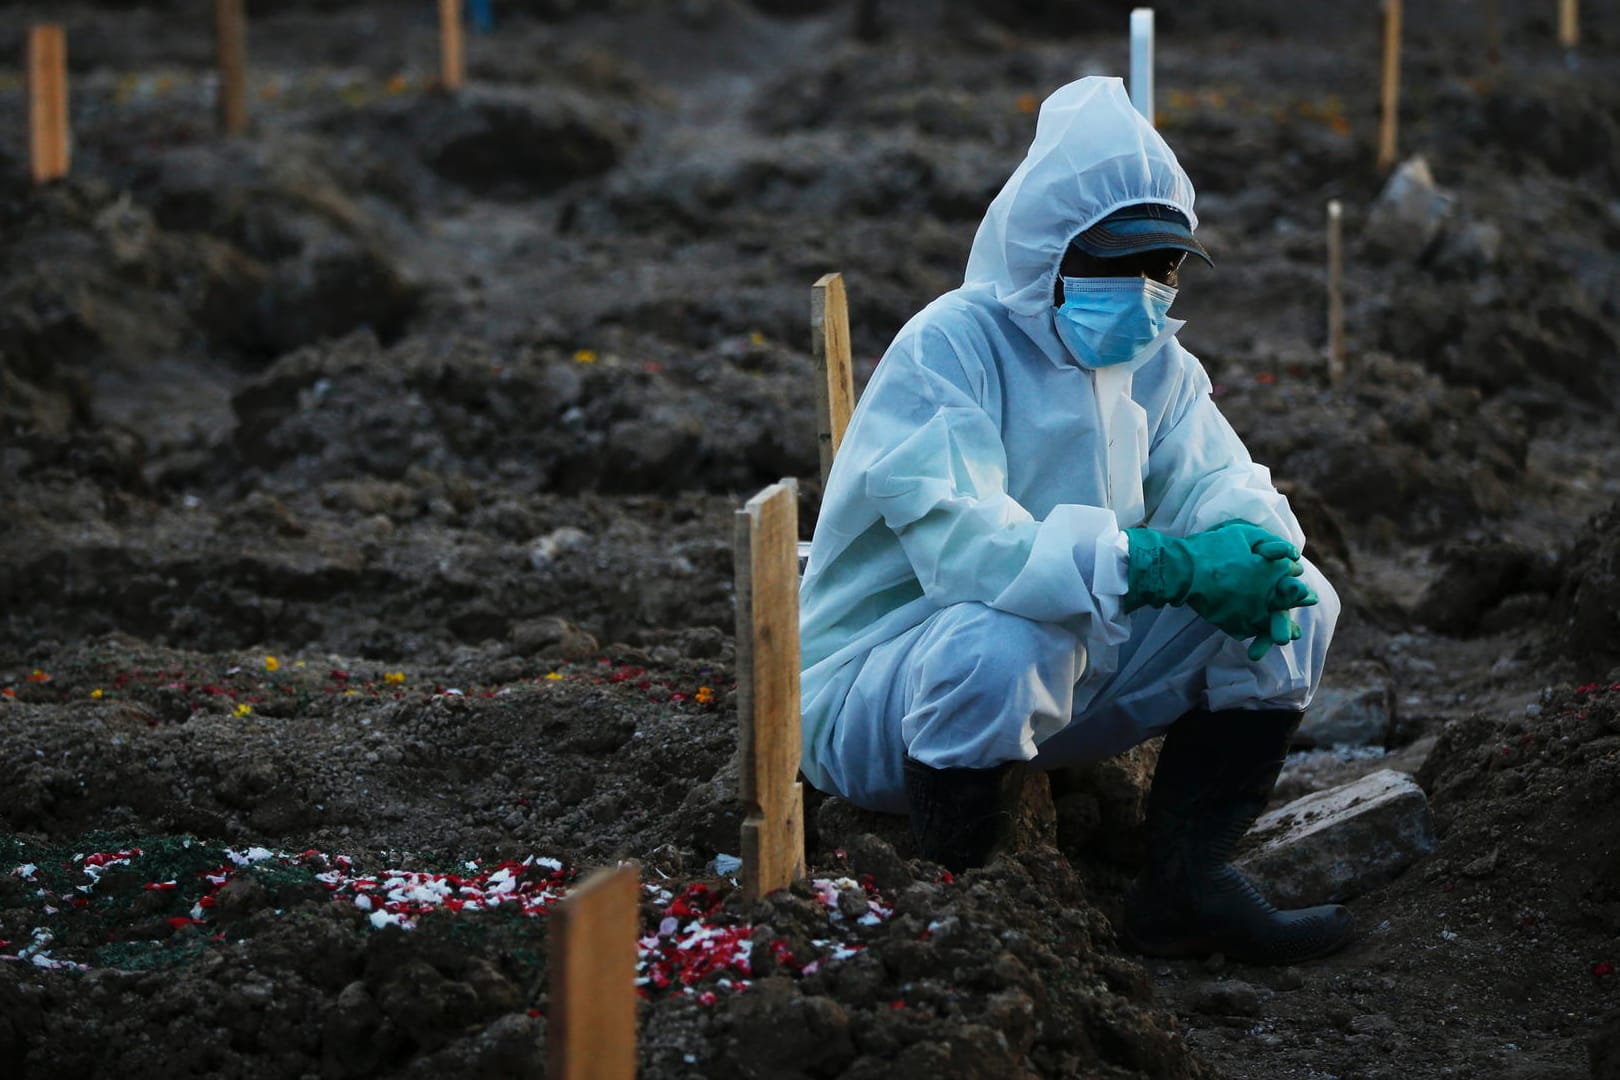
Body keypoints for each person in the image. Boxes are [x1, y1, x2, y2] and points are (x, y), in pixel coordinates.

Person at [797, 77, 1353, 965]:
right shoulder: (954, 346)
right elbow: (966, 543)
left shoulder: (1155, 362)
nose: (1143, 292)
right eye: (1114, 263)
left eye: (1163, 267)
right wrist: (1163, 563)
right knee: (1011, 637)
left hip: (1056, 688)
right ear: (1046, 251)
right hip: (884, 693)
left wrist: (1253, 545)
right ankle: (966, 910)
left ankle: (1186, 886)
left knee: (1295, 606)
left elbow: (1219, 477)